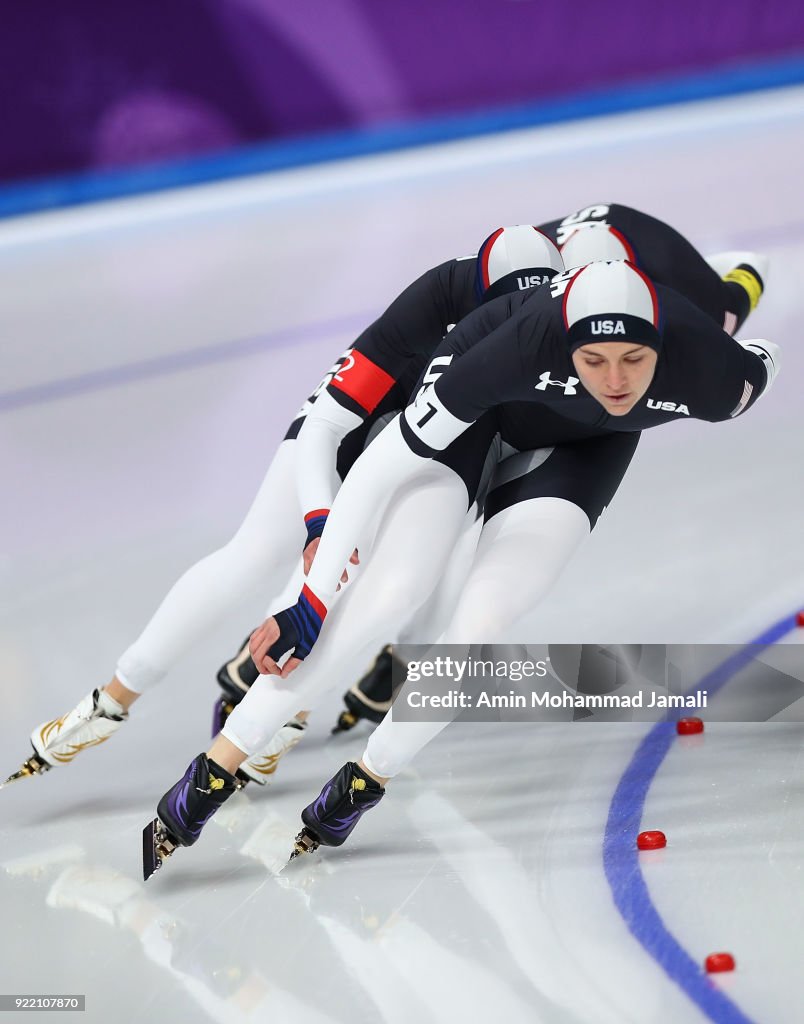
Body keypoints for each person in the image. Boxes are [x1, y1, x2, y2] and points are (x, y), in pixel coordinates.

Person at [145, 256, 778, 872]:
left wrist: (731, 281)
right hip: (478, 421)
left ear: (663, 348)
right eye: (593, 361)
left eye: (634, 360)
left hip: (581, 450)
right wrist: (310, 600)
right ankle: (213, 770)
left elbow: (755, 313)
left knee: (481, 621)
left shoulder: (719, 379)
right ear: (567, 343)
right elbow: (379, 469)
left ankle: (366, 781)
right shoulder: (515, 343)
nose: (614, 381)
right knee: (389, 594)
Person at [4, 225, 564, 791]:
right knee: (260, 549)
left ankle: (278, 690)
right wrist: (319, 521)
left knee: (388, 572)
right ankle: (113, 697)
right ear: (478, 295)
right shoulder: (436, 296)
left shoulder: (557, 336)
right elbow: (326, 425)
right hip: (354, 423)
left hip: (443, 439)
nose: (514, 326)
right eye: (505, 311)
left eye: (530, 315)